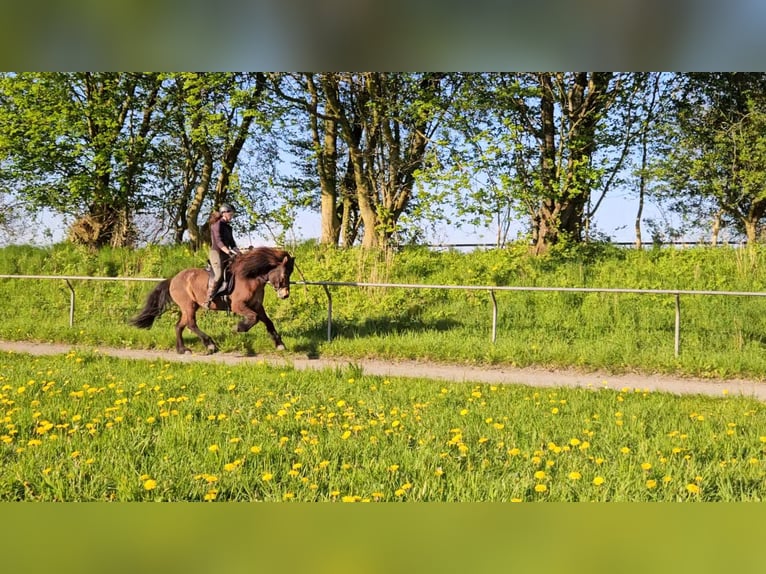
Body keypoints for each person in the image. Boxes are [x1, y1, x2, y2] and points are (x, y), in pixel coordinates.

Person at [203, 203, 241, 309]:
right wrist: (228, 251)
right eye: (231, 214)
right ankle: (208, 299)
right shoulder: (216, 225)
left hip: (226, 253)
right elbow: (219, 242)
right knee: (219, 275)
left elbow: (232, 244)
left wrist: (239, 253)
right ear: (224, 213)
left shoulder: (229, 227)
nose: (232, 216)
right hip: (217, 253)